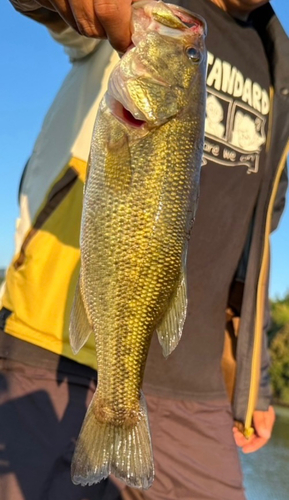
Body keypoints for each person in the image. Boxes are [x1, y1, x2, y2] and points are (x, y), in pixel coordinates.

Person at [1, 0, 288, 499]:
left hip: (197, 385)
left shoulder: (277, 61)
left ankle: (119, 408)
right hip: (49, 346)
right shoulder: (153, 12)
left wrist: (254, 380)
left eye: (193, 58)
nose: (187, 46)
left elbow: (255, 240)